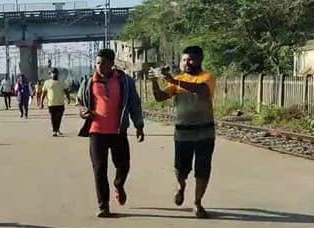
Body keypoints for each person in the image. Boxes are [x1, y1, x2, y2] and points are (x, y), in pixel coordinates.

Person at [150, 46, 216, 218]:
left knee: (203, 168)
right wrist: (154, 81)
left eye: (191, 59)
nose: (187, 63)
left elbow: (201, 90)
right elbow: (160, 97)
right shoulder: (177, 80)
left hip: (205, 131)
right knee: (181, 168)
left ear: (200, 60)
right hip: (183, 132)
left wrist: (173, 80)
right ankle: (181, 186)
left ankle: (197, 202)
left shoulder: (207, 77)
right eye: (184, 59)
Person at [78, 48, 145, 218]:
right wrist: (83, 111)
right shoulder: (89, 82)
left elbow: (134, 104)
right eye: (97, 63)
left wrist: (139, 125)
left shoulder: (125, 81)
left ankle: (118, 184)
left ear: (112, 64)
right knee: (99, 169)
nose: (99, 66)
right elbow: (80, 102)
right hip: (96, 132)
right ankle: (103, 206)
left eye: (103, 63)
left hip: (118, 132)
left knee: (124, 165)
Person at [41, 68, 67, 136]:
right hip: (51, 104)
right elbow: (43, 93)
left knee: (59, 118)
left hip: (60, 103)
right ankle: (54, 131)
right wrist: (41, 102)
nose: (54, 74)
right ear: (50, 74)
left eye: (55, 73)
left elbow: (66, 90)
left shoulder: (61, 82)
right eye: (53, 73)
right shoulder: (47, 82)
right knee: (53, 117)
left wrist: (68, 98)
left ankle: (57, 129)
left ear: (58, 74)